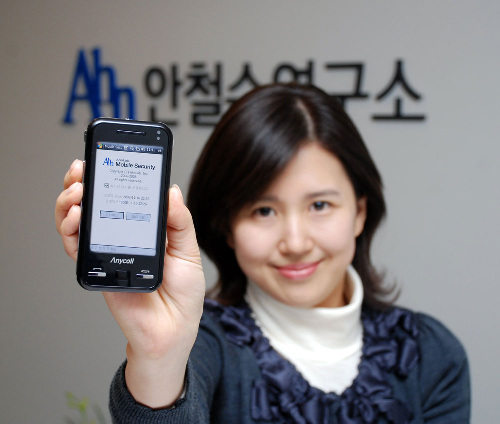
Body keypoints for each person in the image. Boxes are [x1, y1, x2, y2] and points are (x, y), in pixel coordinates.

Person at [55, 83, 470, 423]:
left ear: (360, 212)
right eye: (263, 211)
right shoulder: (200, 347)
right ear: (227, 227)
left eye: (320, 205)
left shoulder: (431, 354)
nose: (295, 242)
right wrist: (158, 353)